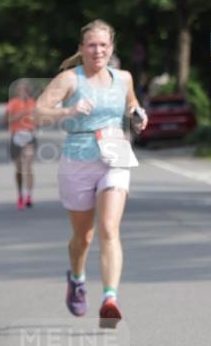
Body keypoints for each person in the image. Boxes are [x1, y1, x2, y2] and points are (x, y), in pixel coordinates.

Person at [35, 20, 147, 327]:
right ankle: (77, 277)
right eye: (92, 45)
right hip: (78, 159)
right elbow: (38, 111)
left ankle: (109, 298)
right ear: (82, 48)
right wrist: (67, 111)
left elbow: (131, 103)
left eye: (103, 45)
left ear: (111, 48)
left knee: (109, 229)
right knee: (83, 237)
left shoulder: (123, 77)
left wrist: (137, 115)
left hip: (115, 156)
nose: (98, 50)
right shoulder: (69, 79)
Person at [5, 80, 37, 208]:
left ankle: (29, 196)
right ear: (17, 91)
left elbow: (39, 119)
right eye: (20, 89)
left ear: (28, 91)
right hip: (16, 136)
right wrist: (19, 115)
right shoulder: (13, 103)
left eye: (25, 89)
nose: (23, 91)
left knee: (28, 167)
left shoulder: (33, 103)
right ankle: (20, 195)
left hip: (29, 136)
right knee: (19, 169)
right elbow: (6, 120)